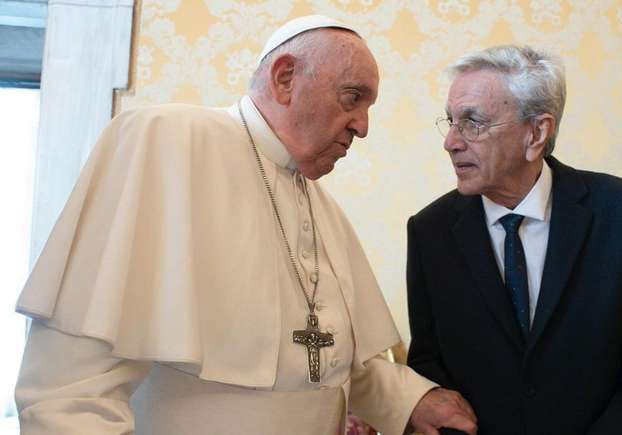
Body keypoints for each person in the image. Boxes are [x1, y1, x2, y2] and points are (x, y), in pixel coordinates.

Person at [14, 15, 477, 435]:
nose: (362, 126)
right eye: (353, 98)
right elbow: (69, 394)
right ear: (285, 78)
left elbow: (322, 361)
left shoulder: (320, 205)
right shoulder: (169, 142)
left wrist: (411, 399)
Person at [405, 45, 622, 435]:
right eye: (451, 121)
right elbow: (428, 366)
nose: (451, 142)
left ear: (537, 132)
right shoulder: (429, 231)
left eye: (472, 122)